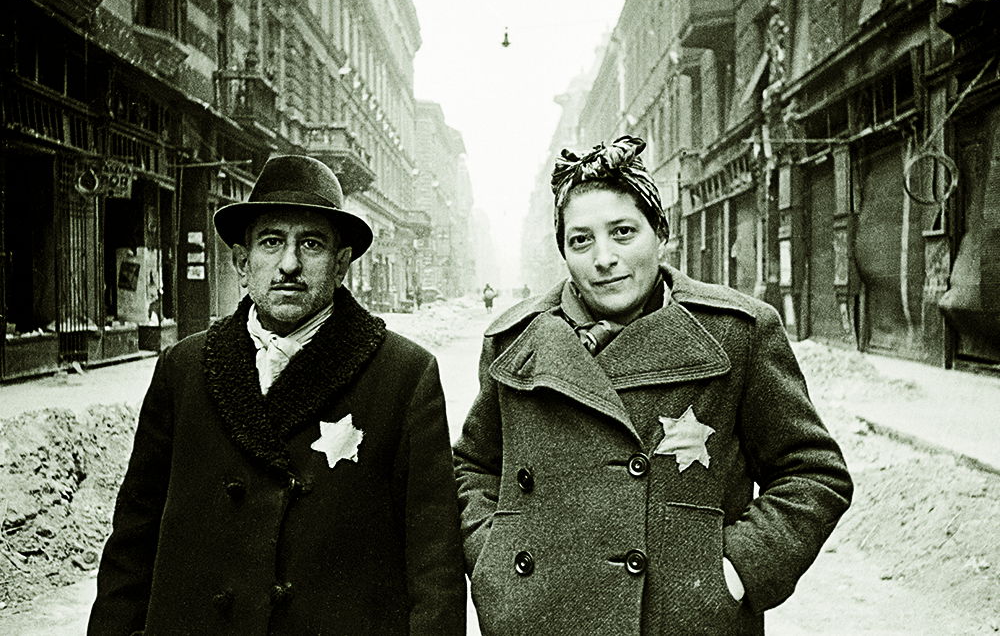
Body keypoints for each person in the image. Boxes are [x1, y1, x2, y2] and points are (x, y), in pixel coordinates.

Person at [454, 136, 852, 635]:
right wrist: (493, 561)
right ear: (564, 251)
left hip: (680, 620)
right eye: (581, 240)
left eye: (623, 232)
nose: (604, 258)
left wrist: (733, 569)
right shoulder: (514, 341)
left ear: (660, 235)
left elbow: (814, 474)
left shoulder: (736, 332)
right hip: (538, 618)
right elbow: (473, 465)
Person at [90, 155, 466, 635]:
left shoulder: (403, 376)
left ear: (341, 265)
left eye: (311, 244)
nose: (289, 263)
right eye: (272, 242)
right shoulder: (182, 370)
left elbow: (434, 564)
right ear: (242, 263)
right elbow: (133, 541)